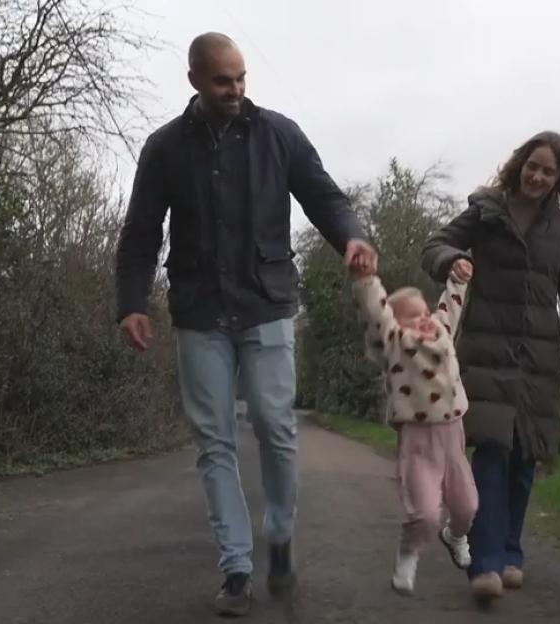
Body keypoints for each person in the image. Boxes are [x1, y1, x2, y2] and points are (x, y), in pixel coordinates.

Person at [114, 33, 377, 617]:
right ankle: (235, 568)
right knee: (215, 443)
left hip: (266, 305)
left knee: (275, 426)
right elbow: (139, 232)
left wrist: (351, 236)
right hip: (199, 313)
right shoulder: (164, 149)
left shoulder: (278, 134)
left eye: (241, 79)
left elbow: (324, 196)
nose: (235, 90)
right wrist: (132, 302)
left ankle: (279, 534)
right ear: (195, 82)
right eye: (222, 81)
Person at [420, 131, 560, 600]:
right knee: (491, 452)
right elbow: (434, 247)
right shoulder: (486, 211)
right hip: (488, 352)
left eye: (549, 172)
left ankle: (509, 551)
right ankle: (484, 563)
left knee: (525, 458)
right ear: (519, 164)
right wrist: (453, 261)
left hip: (538, 359)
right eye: (533, 166)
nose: (538, 176)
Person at [348, 257, 478, 596]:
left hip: (453, 436)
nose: (422, 320)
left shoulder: (442, 332)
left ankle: (456, 535)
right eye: (411, 316)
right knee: (424, 514)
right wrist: (367, 280)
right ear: (396, 324)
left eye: (424, 313)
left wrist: (458, 278)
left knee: (467, 506)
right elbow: (378, 315)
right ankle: (408, 554)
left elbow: (450, 305)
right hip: (418, 442)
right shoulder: (395, 344)